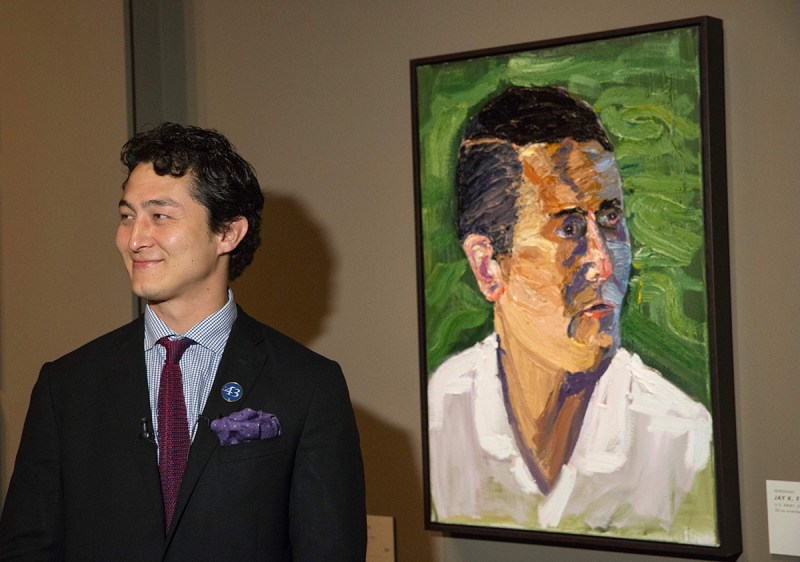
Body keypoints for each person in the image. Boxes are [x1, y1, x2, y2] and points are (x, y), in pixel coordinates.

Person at [0, 123, 367, 560]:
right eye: (126, 216)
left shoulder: (308, 386)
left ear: (227, 233)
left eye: (160, 215)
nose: (134, 239)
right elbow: (27, 548)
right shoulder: (67, 385)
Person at [427, 86, 714, 541]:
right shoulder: (440, 415)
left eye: (611, 216)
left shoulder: (680, 440)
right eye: (570, 227)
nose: (604, 263)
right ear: (487, 265)